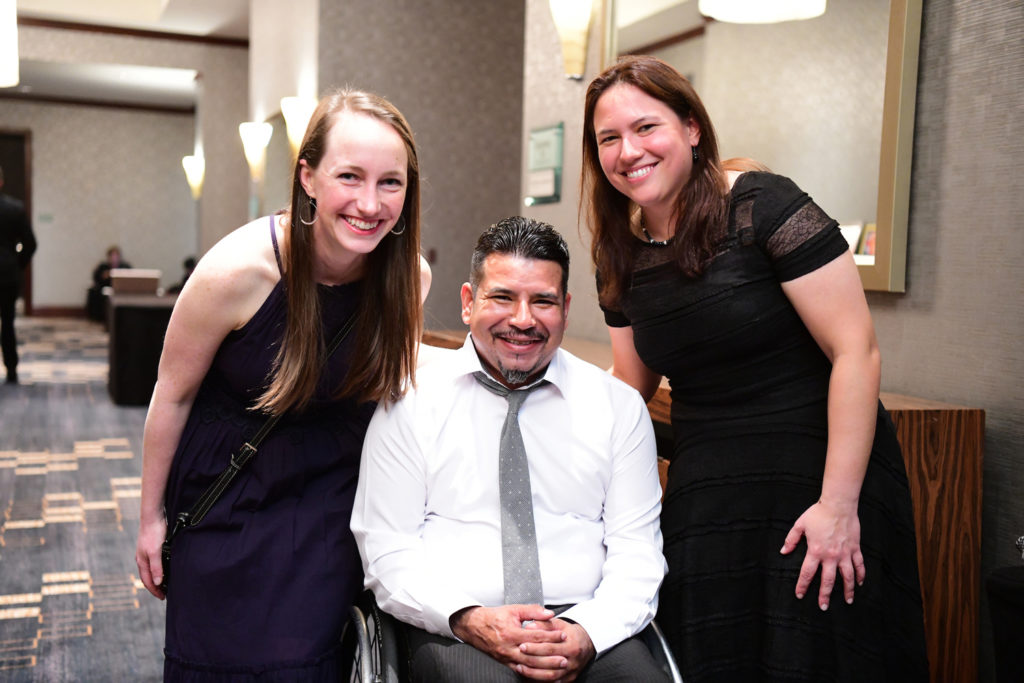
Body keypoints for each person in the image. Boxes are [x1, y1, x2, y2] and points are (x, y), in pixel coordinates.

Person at [581, 55, 928, 682]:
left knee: (820, 658)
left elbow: (856, 352)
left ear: (691, 128)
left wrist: (838, 506)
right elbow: (631, 384)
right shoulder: (618, 253)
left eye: (646, 127)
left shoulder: (762, 206)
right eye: (609, 138)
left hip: (819, 476)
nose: (628, 150)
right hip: (708, 490)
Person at [134, 88, 424, 680]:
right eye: (350, 176)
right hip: (228, 492)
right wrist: (149, 518)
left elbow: (394, 399)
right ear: (308, 177)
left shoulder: (408, 279)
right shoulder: (238, 271)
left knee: (306, 664)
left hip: (331, 501)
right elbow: (173, 393)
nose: (369, 203)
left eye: (390, 182)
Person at [352, 217, 668, 683]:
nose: (522, 319)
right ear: (467, 302)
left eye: (542, 301)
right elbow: (386, 547)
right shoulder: (410, 403)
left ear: (565, 307)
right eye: (502, 297)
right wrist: (469, 618)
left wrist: (588, 631)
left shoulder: (617, 409)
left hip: (585, 621)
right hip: (456, 624)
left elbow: (637, 551)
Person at [0, 165, 37, 384]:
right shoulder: (15, 208)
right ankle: (11, 370)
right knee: (8, 322)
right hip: (7, 274)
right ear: (2, 182)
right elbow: (30, 244)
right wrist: (17, 263)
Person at [86, 245, 131, 321]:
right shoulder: (103, 266)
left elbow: (131, 278)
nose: (114, 258)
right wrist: (104, 276)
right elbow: (96, 278)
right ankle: (99, 317)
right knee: (94, 292)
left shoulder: (125, 266)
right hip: (104, 289)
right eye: (112, 256)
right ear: (108, 257)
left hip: (121, 290)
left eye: (116, 256)